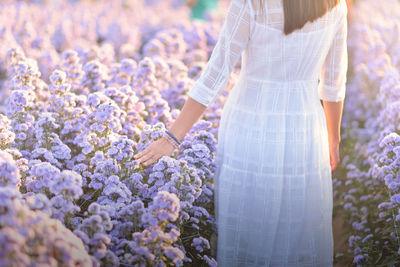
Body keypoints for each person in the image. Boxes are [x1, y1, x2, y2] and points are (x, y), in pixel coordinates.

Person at [134, 0, 348, 265]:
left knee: (248, 228)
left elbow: (217, 72)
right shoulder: (334, 4)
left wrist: (171, 138)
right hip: (305, 128)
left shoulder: (252, 3)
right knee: (299, 228)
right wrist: (333, 139)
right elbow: (333, 83)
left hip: (251, 122)